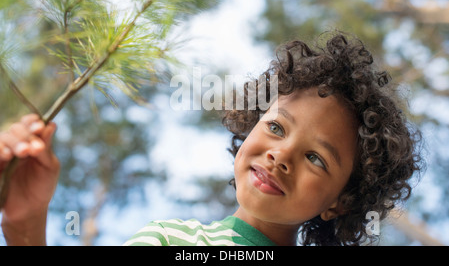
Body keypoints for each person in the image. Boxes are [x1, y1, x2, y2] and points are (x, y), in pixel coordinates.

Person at [0, 32, 424, 246]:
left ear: (341, 201)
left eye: (316, 157)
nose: (281, 155)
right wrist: (25, 222)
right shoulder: (174, 240)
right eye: (276, 127)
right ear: (251, 127)